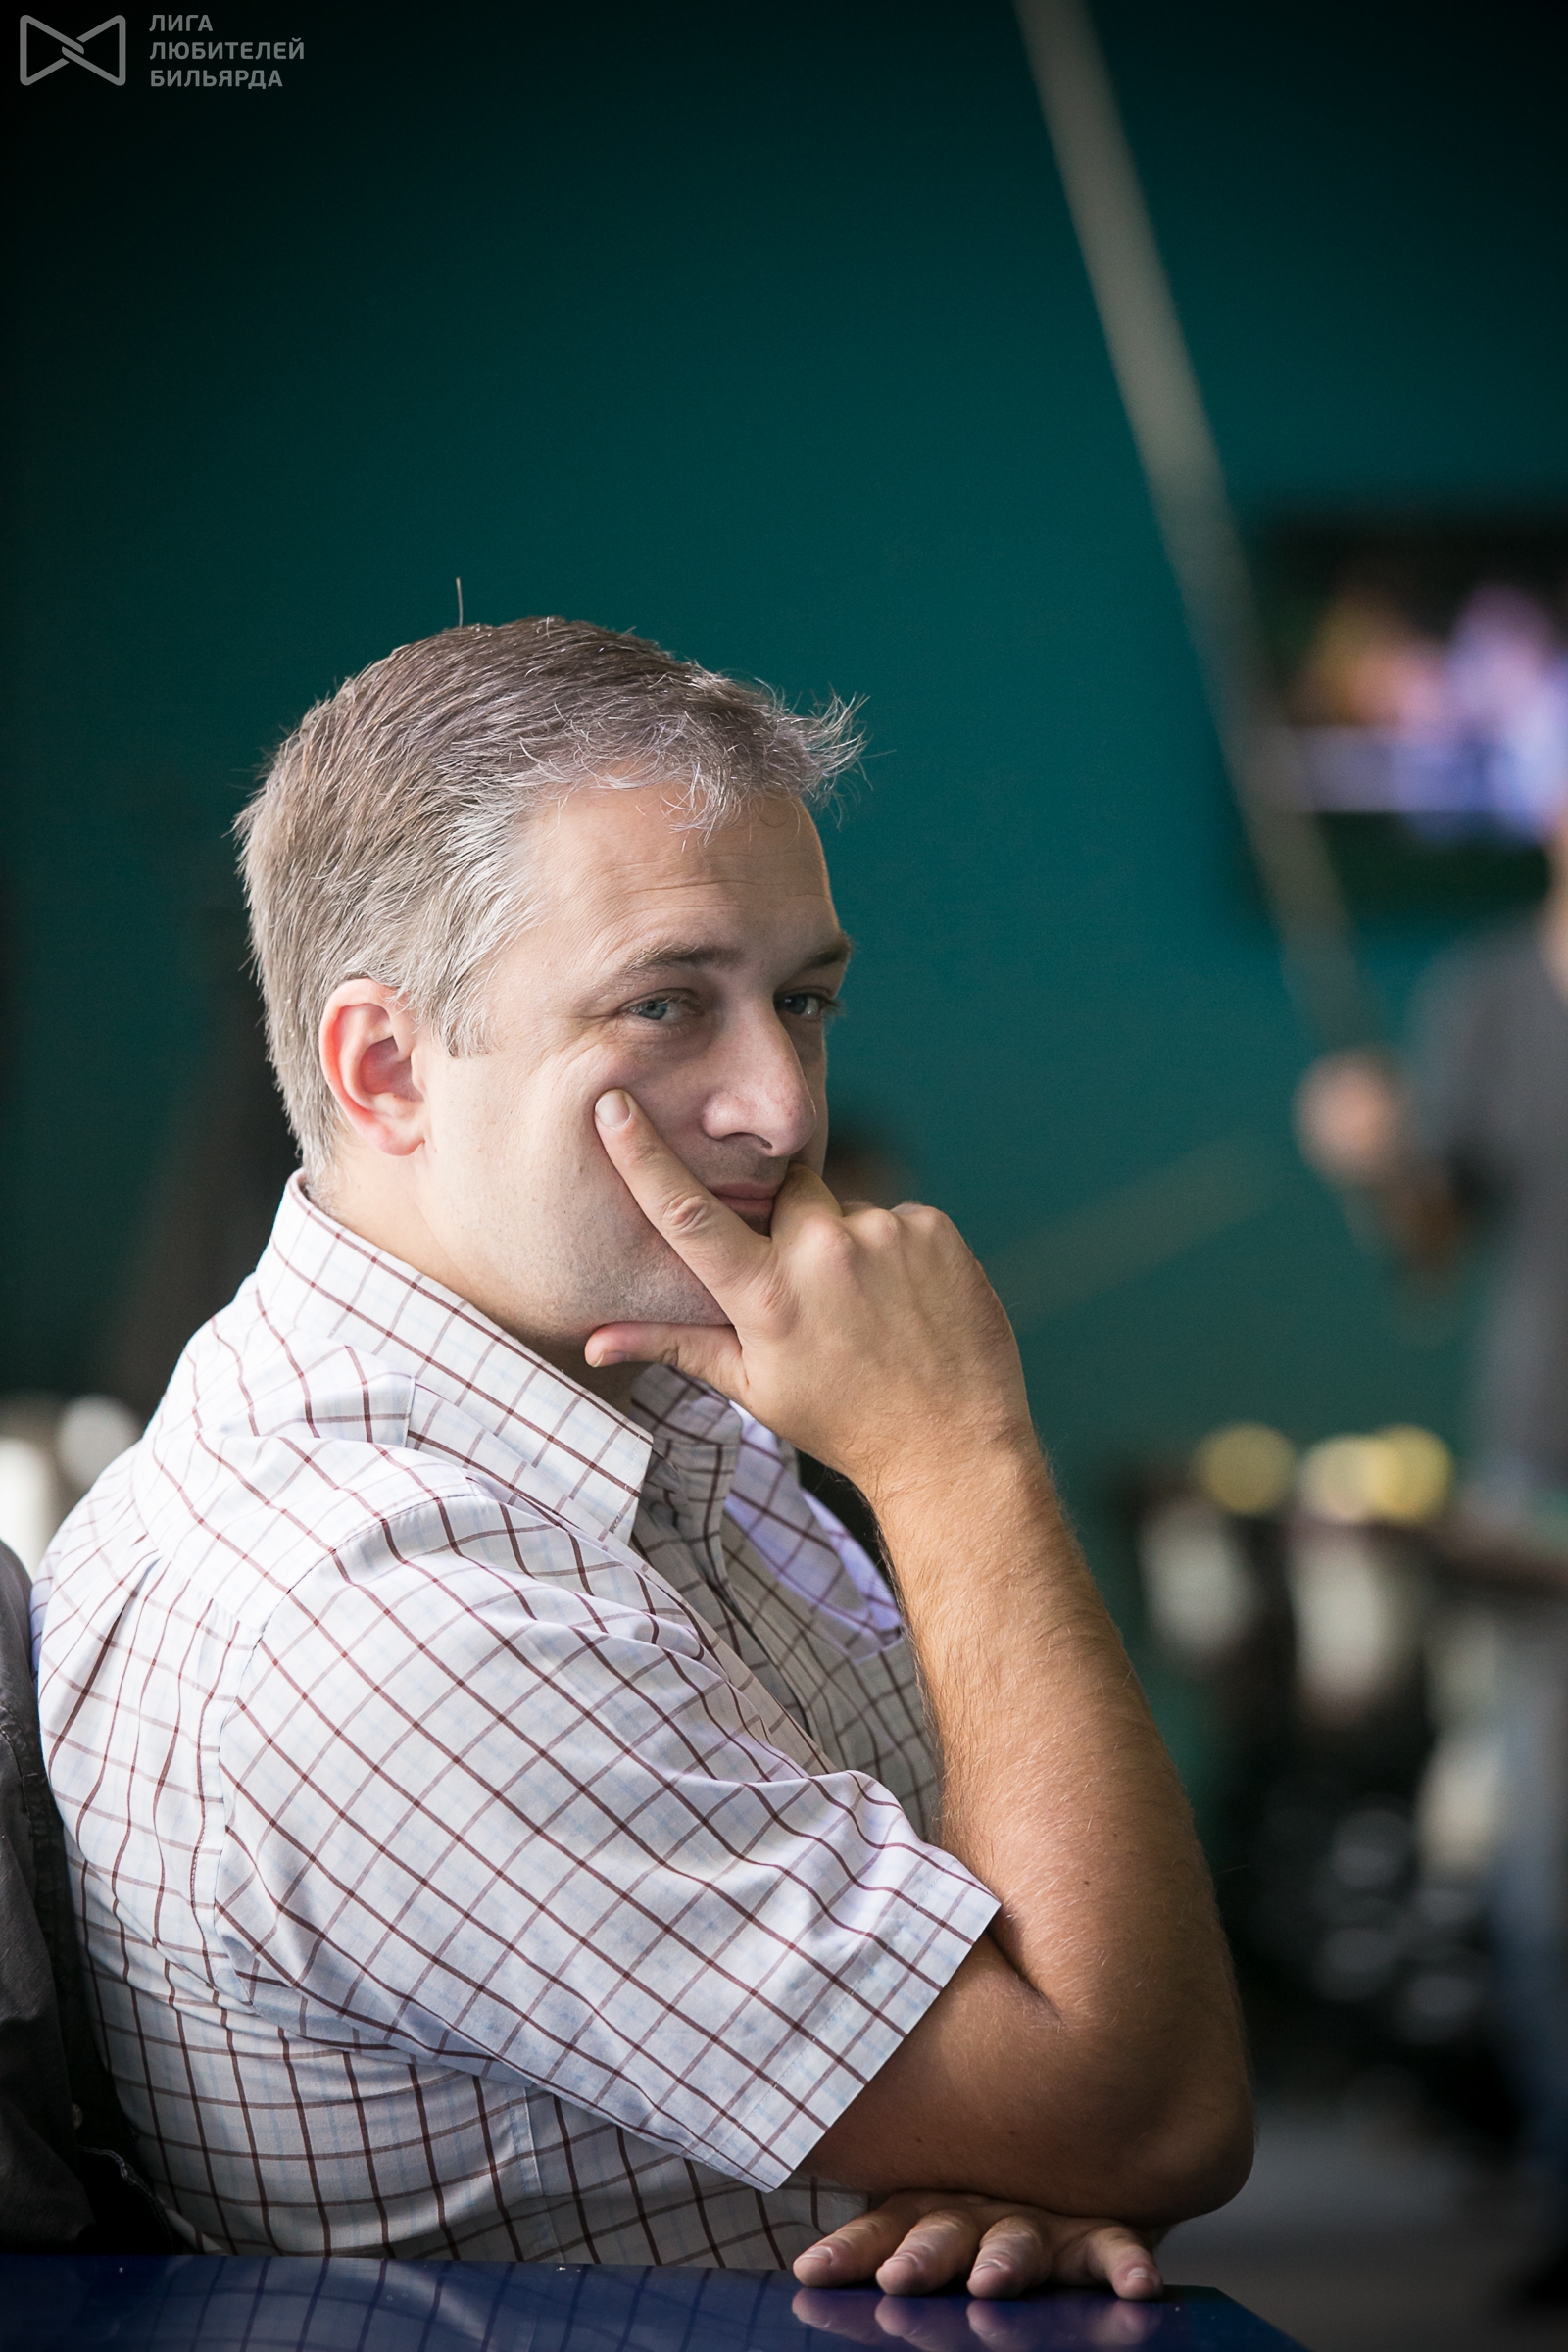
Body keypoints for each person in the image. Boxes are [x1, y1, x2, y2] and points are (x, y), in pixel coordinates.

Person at [33, 621, 1251, 2295]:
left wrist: (1028, 2143)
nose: (782, 1109)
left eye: (802, 1002)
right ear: (384, 1069)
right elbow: (1151, 2112)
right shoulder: (386, 1612)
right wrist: (961, 1458)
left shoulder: (646, 1398)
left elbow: (1071, 2034)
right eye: (666, 1005)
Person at [1296, 793, 1568, 2307]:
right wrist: (1376, 1155)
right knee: (1548, 1878)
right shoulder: (1489, 997)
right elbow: (1430, 1242)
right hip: (1542, 1497)